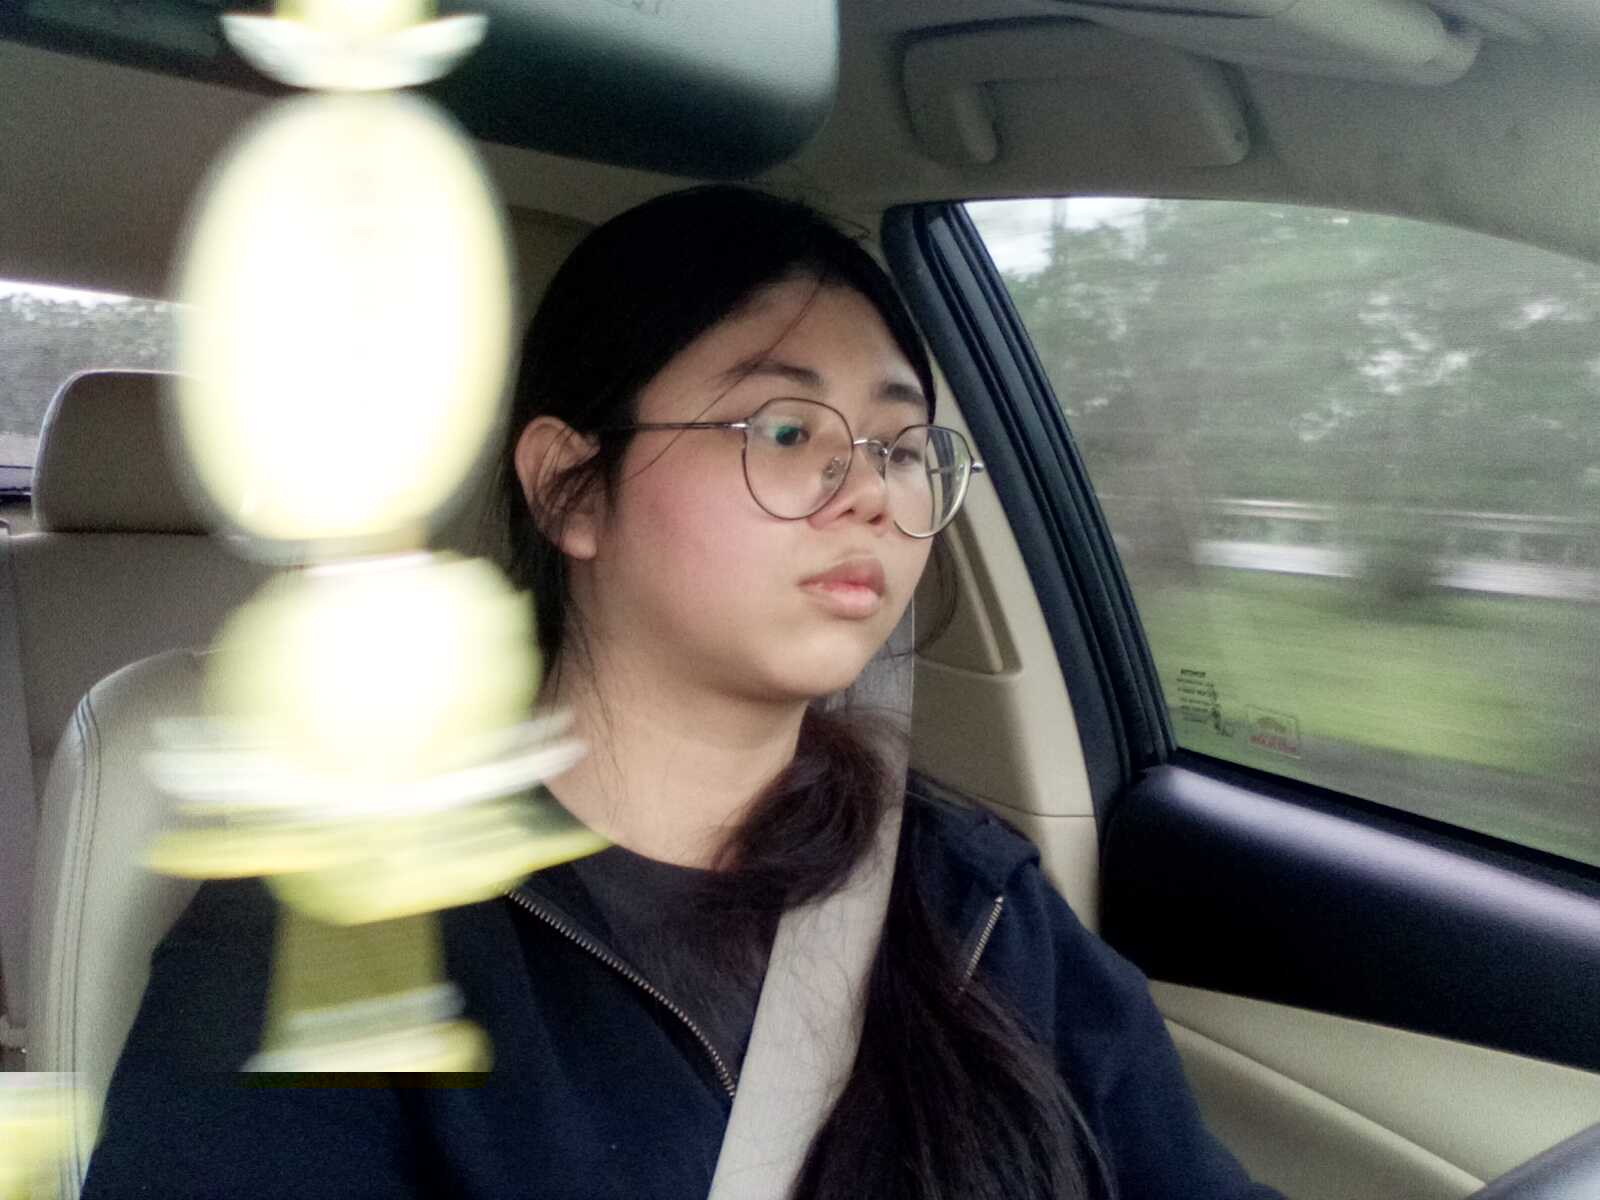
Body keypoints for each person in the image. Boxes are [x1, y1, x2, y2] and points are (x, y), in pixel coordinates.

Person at [82, 186, 1283, 1200]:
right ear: (570, 487)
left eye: (903, 447)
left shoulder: (973, 905)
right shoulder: (333, 934)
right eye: (784, 429)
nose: (871, 492)